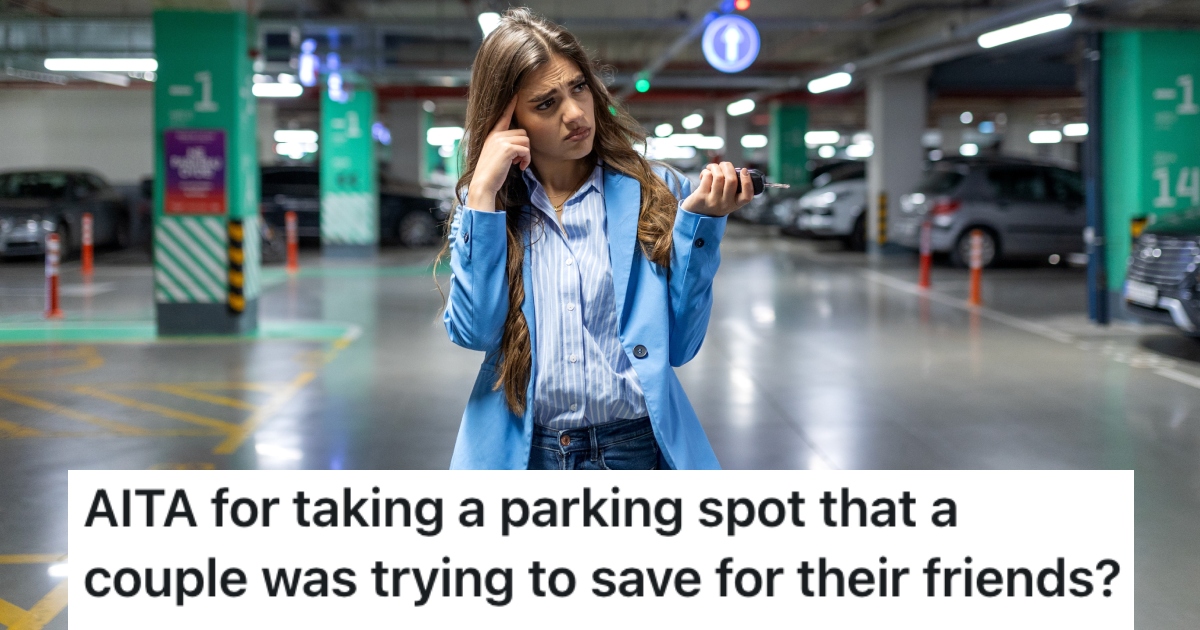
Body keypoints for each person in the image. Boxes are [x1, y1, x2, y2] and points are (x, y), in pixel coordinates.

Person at [439, 7, 752, 470]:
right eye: (546, 104)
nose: (575, 114)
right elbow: (475, 331)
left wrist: (700, 227)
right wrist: (483, 191)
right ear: (507, 120)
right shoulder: (486, 208)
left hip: (635, 451)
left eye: (578, 88)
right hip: (531, 459)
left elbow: (681, 346)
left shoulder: (652, 193)